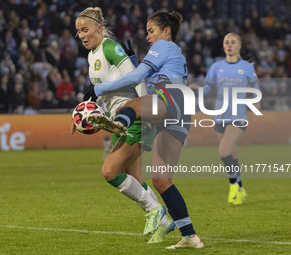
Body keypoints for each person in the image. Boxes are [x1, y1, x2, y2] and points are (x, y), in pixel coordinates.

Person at [85, 11, 203, 249]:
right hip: (180, 111)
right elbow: (143, 75)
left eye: (151, 30)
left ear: (166, 31)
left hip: (170, 96)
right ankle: (191, 237)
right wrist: (136, 63)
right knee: (161, 180)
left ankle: (120, 123)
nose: (148, 36)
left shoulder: (164, 46)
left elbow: (137, 76)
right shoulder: (169, 53)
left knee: (132, 106)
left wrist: (102, 88)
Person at [73, 7, 173, 243]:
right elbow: (101, 94)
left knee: (109, 171)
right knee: (134, 179)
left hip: (134, 116)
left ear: (99, 28)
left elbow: (137, 77)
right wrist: (80, 116)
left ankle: (154, 210)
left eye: (85, 30)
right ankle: (164, 221)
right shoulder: (92, 55)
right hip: (119, 121)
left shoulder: (110, 48)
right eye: (78, 32)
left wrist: (146, 113)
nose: (82, 35)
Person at [191, 33, 261, 205]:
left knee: (223, 151)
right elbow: (207, 90)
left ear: (239, 46)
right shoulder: (216, 67)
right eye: (226, 42)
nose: (229, 45)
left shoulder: (246, 67)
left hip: (238, 116)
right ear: (224, 46)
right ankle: (242, 187)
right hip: (220, 116)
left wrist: (257, 102)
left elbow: (255, 87)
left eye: (233, 42)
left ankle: (233, 187)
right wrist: (196, 89)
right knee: (232, 153)